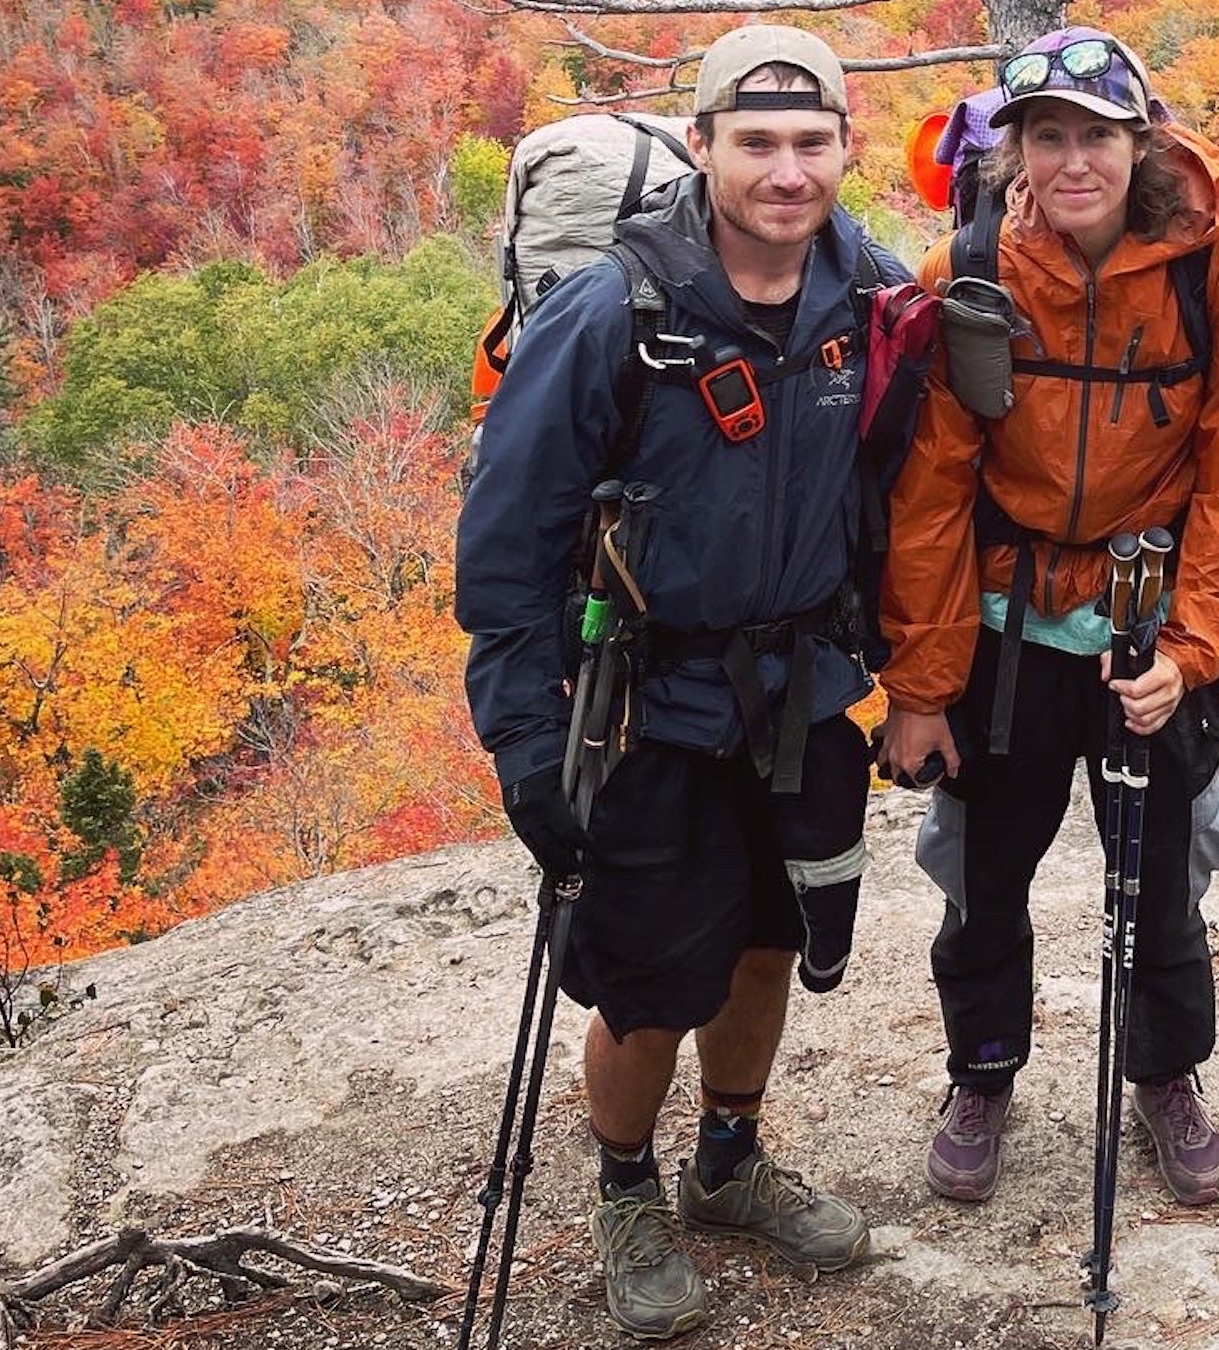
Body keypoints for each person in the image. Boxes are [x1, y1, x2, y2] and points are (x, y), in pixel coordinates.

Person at [455, 25, 908, 1341]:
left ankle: (730, 1157)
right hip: (644, 703)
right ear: (698, 147)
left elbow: (918, 482)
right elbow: (509, 536)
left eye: (810, 141)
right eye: (754, 141)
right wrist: (527, 737)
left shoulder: (863, 293)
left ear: (842, 147)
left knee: (770, 942)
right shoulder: (615, 313)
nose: (785, 168)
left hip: (805, 689)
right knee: (651, 978)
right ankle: (625, 1189)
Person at [874, 27, 1219, 1209]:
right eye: (1046, 135)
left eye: (1094, 133)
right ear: (1016, 152)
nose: (1072, 159)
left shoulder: (1217, 268)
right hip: (1006, 636)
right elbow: (933, 490)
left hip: (1142, 627)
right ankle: (984, 1072)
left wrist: (1194, 654)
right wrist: (920, 687)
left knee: (1159, 879)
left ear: (1135, 140)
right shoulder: (973, 273)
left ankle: (1165, 1076)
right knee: (984, 876)